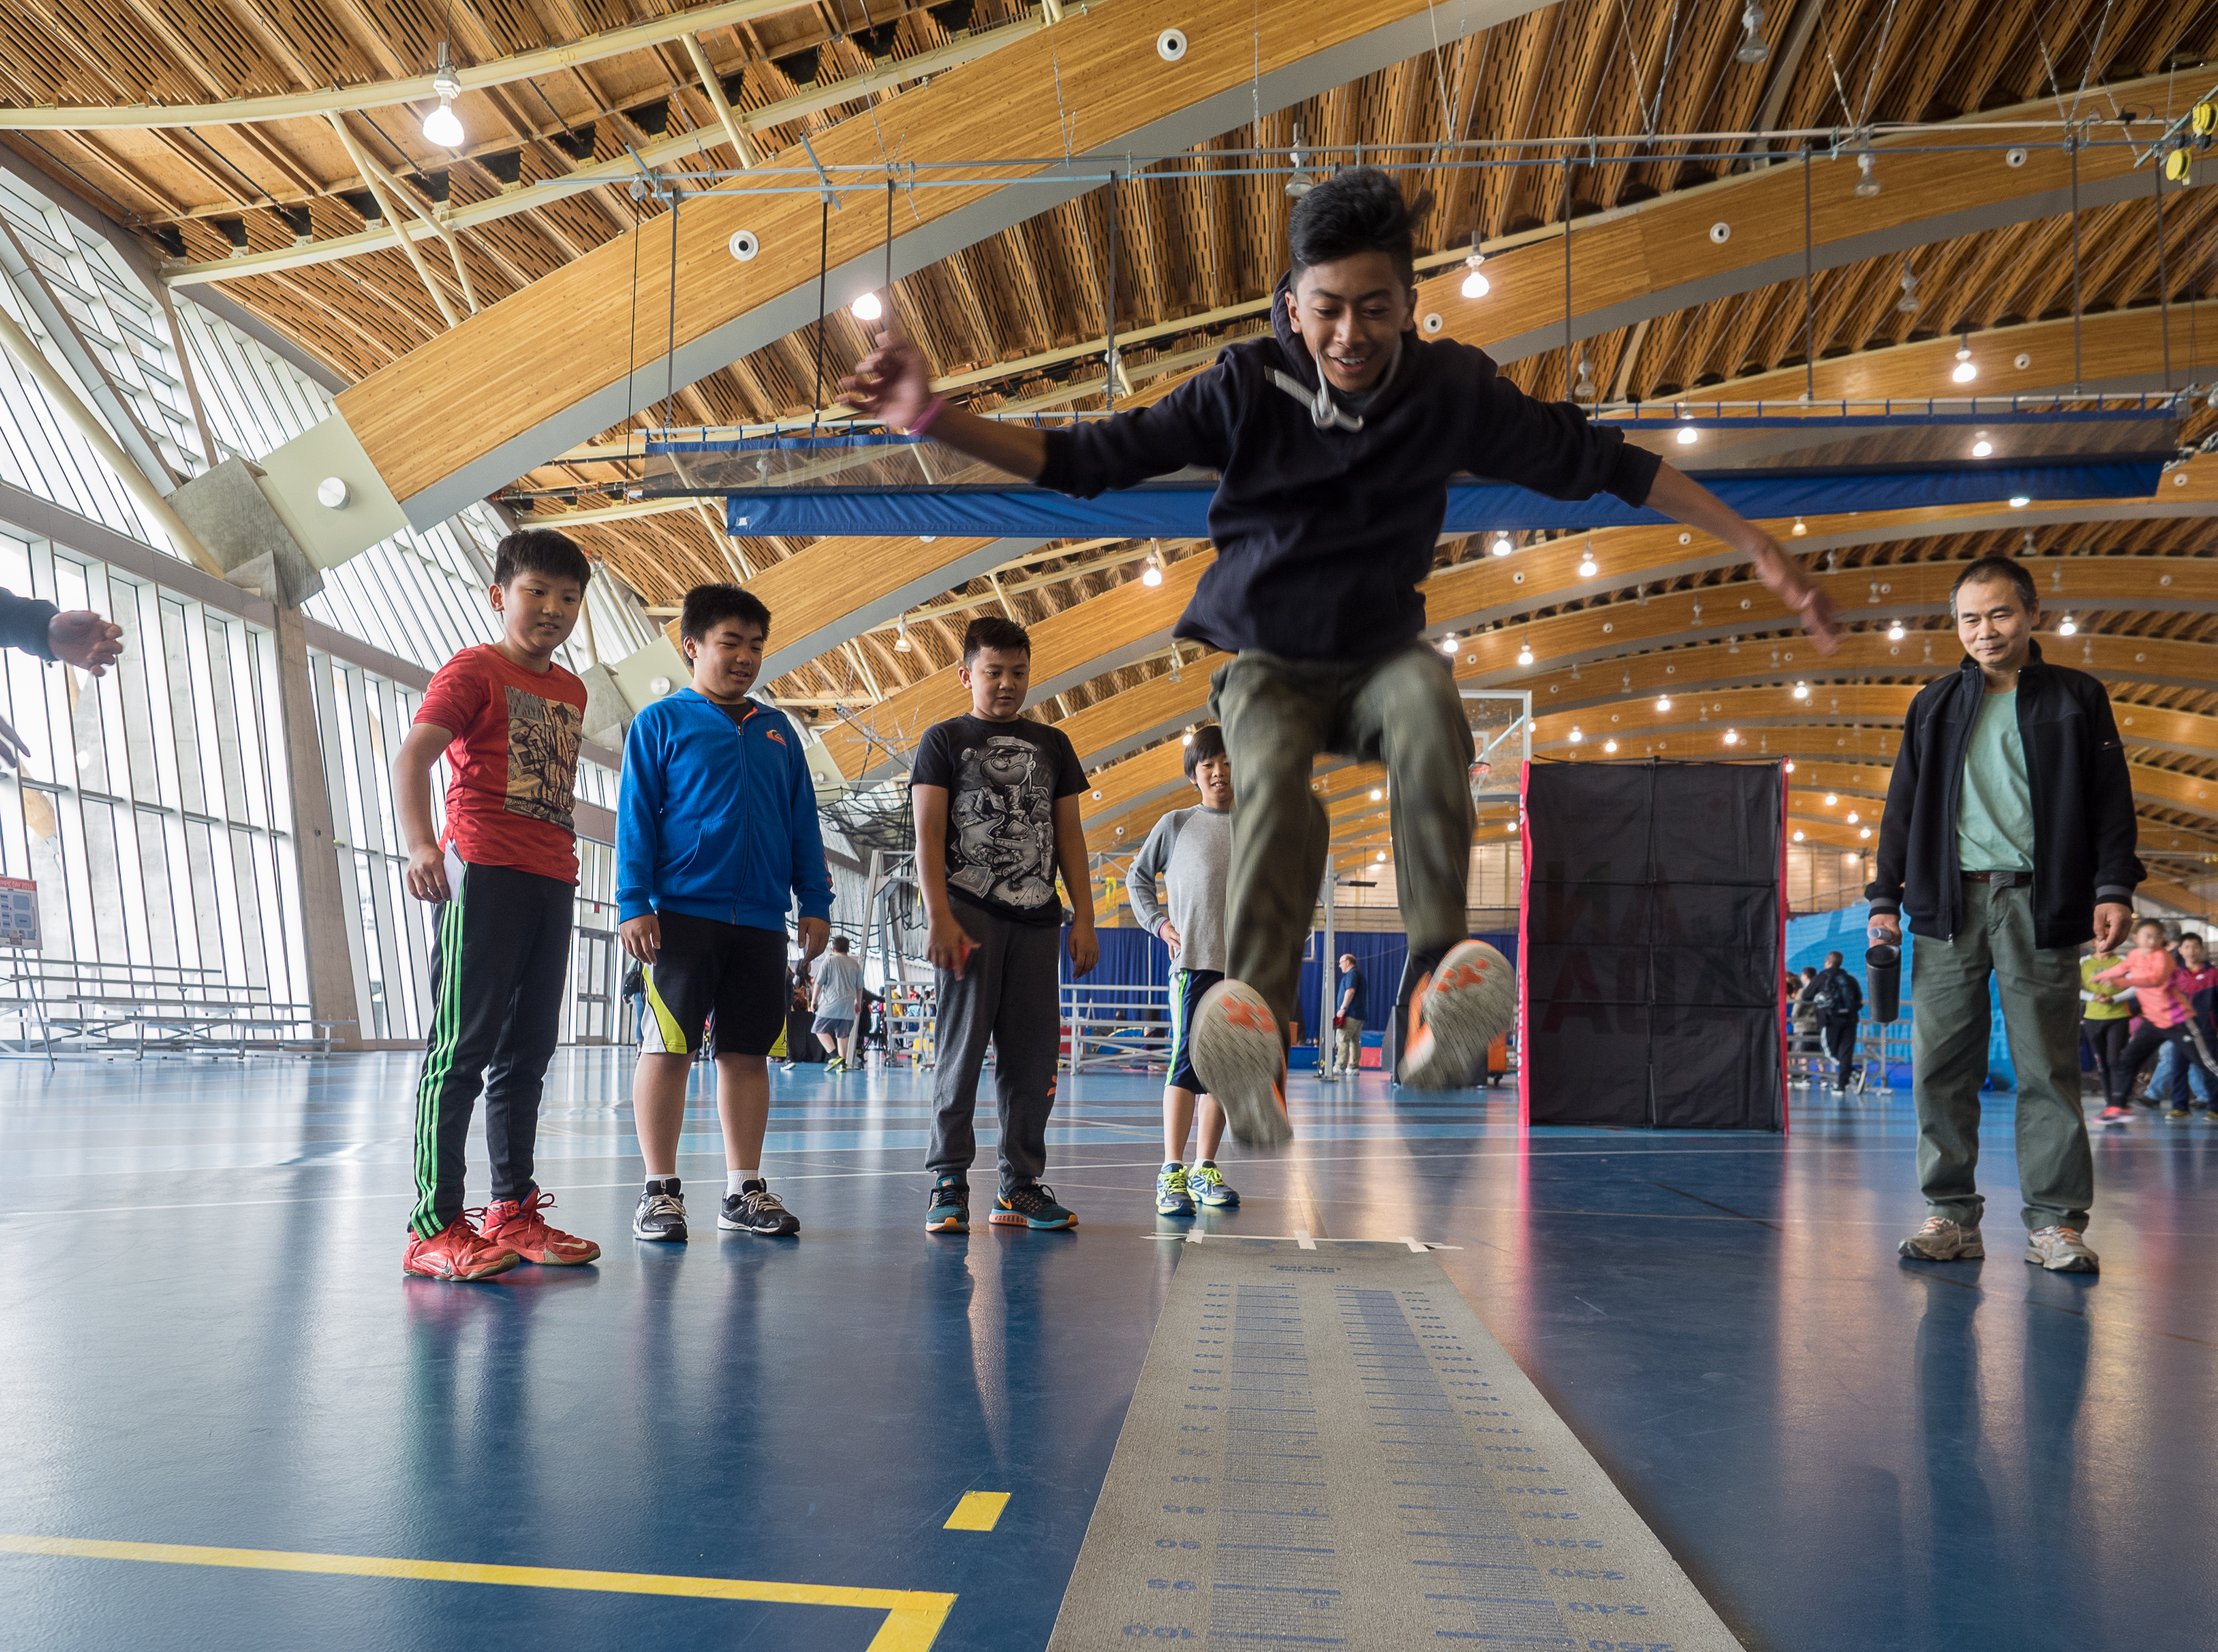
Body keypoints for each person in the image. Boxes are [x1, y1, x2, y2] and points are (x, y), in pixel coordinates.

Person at [841, 167, 1837, 1143]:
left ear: (1411, 304)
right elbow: (1085, 463)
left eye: (1375, 308)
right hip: (1267, 658)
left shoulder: (1454, 392)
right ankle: (1256, 1013)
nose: (1350, 335)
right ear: (1291, 304)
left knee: (1428, 710)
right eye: (1327, 310)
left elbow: (1615, 465)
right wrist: (936, 417)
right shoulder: (1243, 386)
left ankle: (1442, 984)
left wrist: (1751, 541)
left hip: (1379, 660)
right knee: (1273, 780)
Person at [1873, 555, 2140, 1275]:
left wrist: (2112, 886)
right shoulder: (1932, 704)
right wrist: (1882, 899)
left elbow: (2111, 802)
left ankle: (2055, 1222)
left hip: (2040, 901)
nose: (1984, 630)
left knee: (2046, 1069)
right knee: (1938, 1067)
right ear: (1955, 625)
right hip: (1946, 905)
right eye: (1969, 618)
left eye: (1998, 614)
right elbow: (1899, 809)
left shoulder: (2076, 697)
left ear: (2030, 615)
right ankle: (1950, 1216)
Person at [393, 529, 601, 1281]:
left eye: (568, 597)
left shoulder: (572, 689)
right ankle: (433, 1226)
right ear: (499, 596)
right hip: (481, 870)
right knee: (460, 1053)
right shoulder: (474, 669)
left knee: (527, 1055)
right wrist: (423, 846)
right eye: (536, 592)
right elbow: (414, 754)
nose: (552, 608)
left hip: (552, 876)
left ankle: (511, 1209)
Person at [617, 584, 830, 1243]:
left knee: (747, 1054)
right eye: (729, 643)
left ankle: (743, 1190)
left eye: (756, 646)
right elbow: (636, 821)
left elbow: (802, 822)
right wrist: (634, 901)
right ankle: (659, 1191)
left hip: (761, 920)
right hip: (679, 915)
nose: (745, 657)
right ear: (692, 647)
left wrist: (815, 901)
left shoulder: (777, 730)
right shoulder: (660, 723)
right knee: (669, 1046)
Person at [911, 616, 1097, 1234]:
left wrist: (1085, 918)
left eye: (1018, 672)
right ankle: (948, 1181)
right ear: (966, 675)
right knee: (961, 1053)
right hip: (968, 915)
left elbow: (1069, 835)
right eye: (994, 672)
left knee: (1032, 1057)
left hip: (1040, 921)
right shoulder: (943, 740)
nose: (1007, 683)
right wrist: (939, 915)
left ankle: (1019, 1186)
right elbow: (929, 834)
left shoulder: (1054, 745)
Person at [1127, 724, 1242, 1218]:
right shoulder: (1176, 824)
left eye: (1226, 763)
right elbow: (1137, 877)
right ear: (1194, 775)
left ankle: (1205, 1167)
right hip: (1193, 964)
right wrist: (1158, 923)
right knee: (1185, 1062)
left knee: (1223, 1073)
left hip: (1241, 972)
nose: (1218, 773)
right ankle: (1171, 1171)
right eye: (1207, 766)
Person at [2093, 920, 2218, 1123]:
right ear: (2136, 938)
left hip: (2178, 1021)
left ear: (2163, 940)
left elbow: (2155, 980)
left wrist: (2120, 982)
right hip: (2153, 1022)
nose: (2152, 941)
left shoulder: (2164, 958)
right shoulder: (2134, 956)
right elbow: (2122, 967)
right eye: (2148, 936)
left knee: (2205, 1063)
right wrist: (2100, 977)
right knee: (2127, 1060)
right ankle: (2119, 1106)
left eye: (2157, 937)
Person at [2148, 932, 2216, 1119]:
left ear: (2202, 949)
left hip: (2206, 1031)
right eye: (2187, 947)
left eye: (2195, 946)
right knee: (2179, 1068)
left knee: (2211, 1070)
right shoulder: (2174, 975)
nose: (2191, 951)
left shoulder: (2213, 975)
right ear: (2180, 950)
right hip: (2181, 1031)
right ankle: (2180, 1108)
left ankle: (2216, 1109)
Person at [2079, 940, 2131, 1101]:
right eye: (2104, 939)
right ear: (2094, 942)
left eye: (2112, 938)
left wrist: (2115, 999)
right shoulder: (2083, 963)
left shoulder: (2124, 961)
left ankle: (2119, 1101)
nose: (2109, 942)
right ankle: (2110, 1103)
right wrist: (2093, 997)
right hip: (2093, 1018)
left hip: (2118, 1017)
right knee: (2101, 1064)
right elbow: (2074, 988)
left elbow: (2136, 986)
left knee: (2114, 1060)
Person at [1809, 950, 1864, 1092]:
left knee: (1829, 1052)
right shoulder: (1849, 979)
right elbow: (1859, 1000)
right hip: (1850, 1020)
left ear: (1828, 962)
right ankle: (1841, 1085)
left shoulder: (1821, 978)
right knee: (1846, 1052)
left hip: (1829, 1021)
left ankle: (1854, 1072)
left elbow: (1807, 995)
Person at [812, 935, 866, 1073]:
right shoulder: (855, 965)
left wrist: (814, 1000)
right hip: (848, 1007)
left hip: (830, 1006)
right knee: (843, 1035)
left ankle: (834, 1056)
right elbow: (860, 987)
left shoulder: (829, 961)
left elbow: (818, 983)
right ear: (848, 949)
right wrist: (858, 1003)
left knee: (819, 1029)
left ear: (833, 948)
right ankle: (843, 1065)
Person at [1333, 953, 1367, 1076]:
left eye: (1341, 962)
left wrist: (1343, 1008)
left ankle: (1340, 1066)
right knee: (1355, 1041)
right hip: (1359, 1015)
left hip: (1351, 1014)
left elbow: (1351, 991)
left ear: (1348, 962)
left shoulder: (1352, 974)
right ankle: (1353, 1067)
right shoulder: (1359, 975)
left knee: (1342, 1039)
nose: (1339, 965)